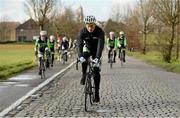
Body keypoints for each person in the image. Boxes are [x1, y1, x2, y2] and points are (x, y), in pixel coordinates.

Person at [78, 15, 105, 102]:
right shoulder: (82, 31)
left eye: (92, 26)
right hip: (87, 48)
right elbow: (79, 45)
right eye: (88, 26)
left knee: (96, 70)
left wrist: (97, 58)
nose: (90, 28)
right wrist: (80, 56)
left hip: (96, 50)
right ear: (86, 25)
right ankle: (83, 74)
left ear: (94, 24)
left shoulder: (100, 31)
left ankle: (96, 92)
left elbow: (100, 46)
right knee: (83, 58)